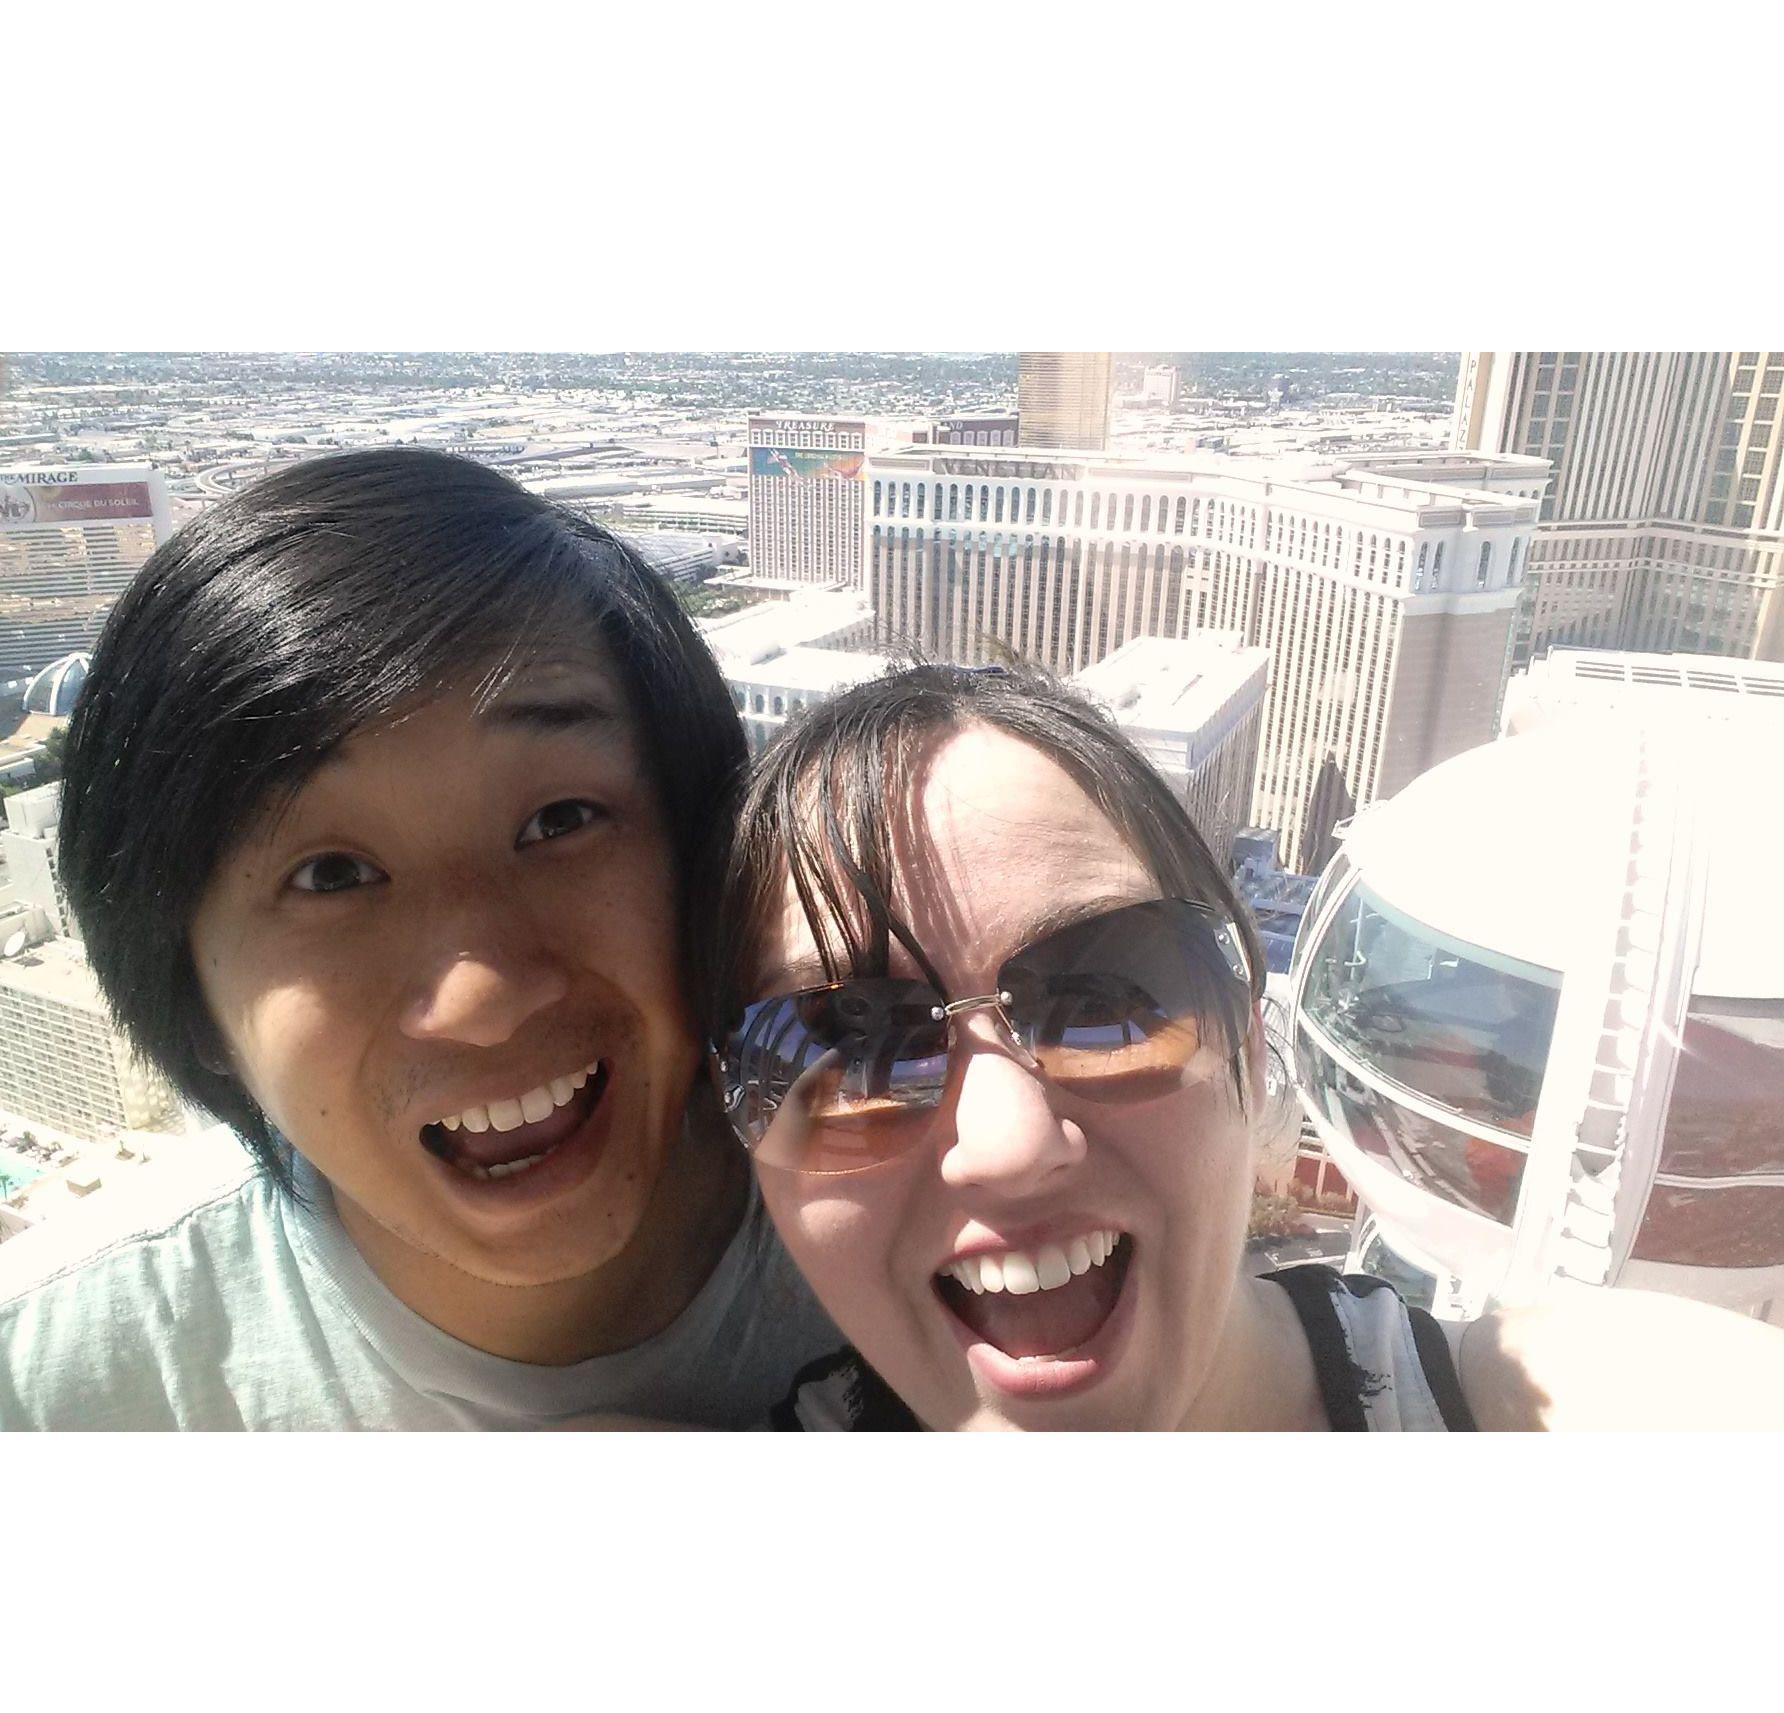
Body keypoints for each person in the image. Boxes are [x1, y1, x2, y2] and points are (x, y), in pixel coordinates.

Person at [703, 660, 1784, 1430]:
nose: (1006, 1142)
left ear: (1251, 1052)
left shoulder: (1569, 1415)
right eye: (850, 1051)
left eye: (1107, 995)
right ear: (749, 1152)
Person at [0, 449, 839, 1429]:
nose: (481, 1000)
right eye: (331, 875)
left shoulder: (931, 1217)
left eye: (561, 819)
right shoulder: (63, 1380)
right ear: (194, 1008)